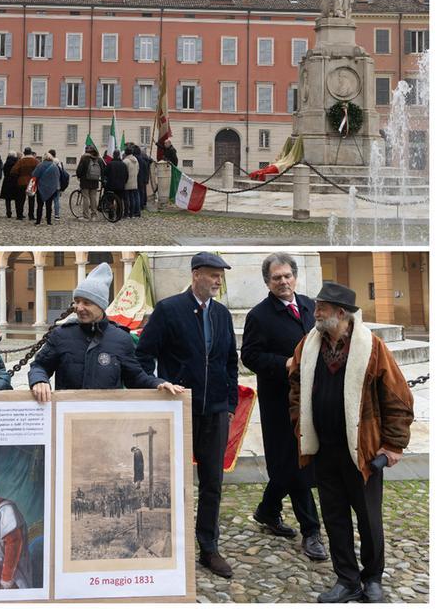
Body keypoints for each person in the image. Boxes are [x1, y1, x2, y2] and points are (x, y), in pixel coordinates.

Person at [289, 282, 414, 603]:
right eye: (315, 306)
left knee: (369, 519)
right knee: (334, 517)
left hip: (364, 452)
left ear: (340, 313)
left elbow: (398, 397)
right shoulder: (308, 344)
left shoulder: (371, 347)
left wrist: (394, 445)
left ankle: (372, 577)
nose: (314, 312)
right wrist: (298, 423)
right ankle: (347, 579)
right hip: (325, 449)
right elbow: (296, 387)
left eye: (321, 308)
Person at [135, 252, 238, 579]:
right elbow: (143, 357)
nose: (217, 281)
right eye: (212, 275)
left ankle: (208, 547)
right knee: (171, 483)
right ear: (196, 275)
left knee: (212, 482)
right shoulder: (169, 310)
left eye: (220, 276)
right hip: (178, 409)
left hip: (216, 411)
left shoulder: (222, 314)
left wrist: (230, 402)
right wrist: (156, 383)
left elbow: (231, 363)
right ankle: (169, 546)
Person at [239, 253, 328, 561]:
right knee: (293, 464)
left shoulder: (309, 305)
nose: (283, 281)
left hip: (312, 398)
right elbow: (249, 356)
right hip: (279, 402)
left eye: (287, 275)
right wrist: (284, 363)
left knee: (286, 466)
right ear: (267, 282)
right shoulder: (259, 315)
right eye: (276, 277)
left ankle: (267, 510)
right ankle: (311, 531)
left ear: (295, 277)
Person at [26, 264, 185, 399]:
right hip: (67, 418)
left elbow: (135, 377)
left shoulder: (121, 339)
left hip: (106, 421)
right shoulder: (61, 335)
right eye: (77, 301)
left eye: (87, 302)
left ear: (101, 305)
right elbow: (40, 366)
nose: (79, 308)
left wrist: (158, 383)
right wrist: (39, 380)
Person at [8, 148, 39, 221]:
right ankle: (31, 215)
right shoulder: (36, 161)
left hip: (21, 182)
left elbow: (13, 171)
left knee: (20, 199)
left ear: (24, 153)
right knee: (31, 199)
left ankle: (19, 215)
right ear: (31, 153)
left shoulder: (20, 161)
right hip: (32, 182)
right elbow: (39, 171)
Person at [30, 152, 60, 226]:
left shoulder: (40, 165)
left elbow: (34, 174)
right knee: (49, 206)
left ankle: (38, 221)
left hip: (41, 188)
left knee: (40, 205)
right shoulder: (54, 166)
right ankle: (49, 222)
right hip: (51, 189)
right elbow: (57, 177)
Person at [76, 145, 102, 219]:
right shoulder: (98, 159)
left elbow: (79, 170)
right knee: (93, 197)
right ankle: (94, 215)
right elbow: (102, 169)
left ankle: (86, 216)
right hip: (95, 181)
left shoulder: (84, 158)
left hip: (85, 181)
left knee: (86, 198)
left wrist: (78, 175)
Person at [106, 150, 129, 217]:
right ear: (119, 155)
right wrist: (124, 182)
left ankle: (111, 214)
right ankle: (119, 214)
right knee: (119, 200)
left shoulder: (110, 164)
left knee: (110, 200)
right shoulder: (123, 164)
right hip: (121, 186)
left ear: (113, 155)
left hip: (111, 185)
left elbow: (105, 173)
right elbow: (126, 175)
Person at [0, 150, 19, 218]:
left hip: (7, 181)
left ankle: (8, 212)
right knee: (17, 198)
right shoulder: (16, 163)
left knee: (7, 199)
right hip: (15, 181)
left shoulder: (6, 163)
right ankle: (18, 212)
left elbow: (4, 171)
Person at [122, 146, 141, 218]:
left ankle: (126, 213)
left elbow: (123, 172)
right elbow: (138, 170)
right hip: (134, 181)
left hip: (127, 182)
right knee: (132, 198)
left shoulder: (125, 161)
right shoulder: (135, 160)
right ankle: (132, 213)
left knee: (126, 199)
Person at [134, 144, 152, 213]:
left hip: (139, 178)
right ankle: (142, 204)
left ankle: (140, 205)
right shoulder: (145, 159)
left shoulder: (139, 160)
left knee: (139, 193)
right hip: (143, 178)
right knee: (142, 192)